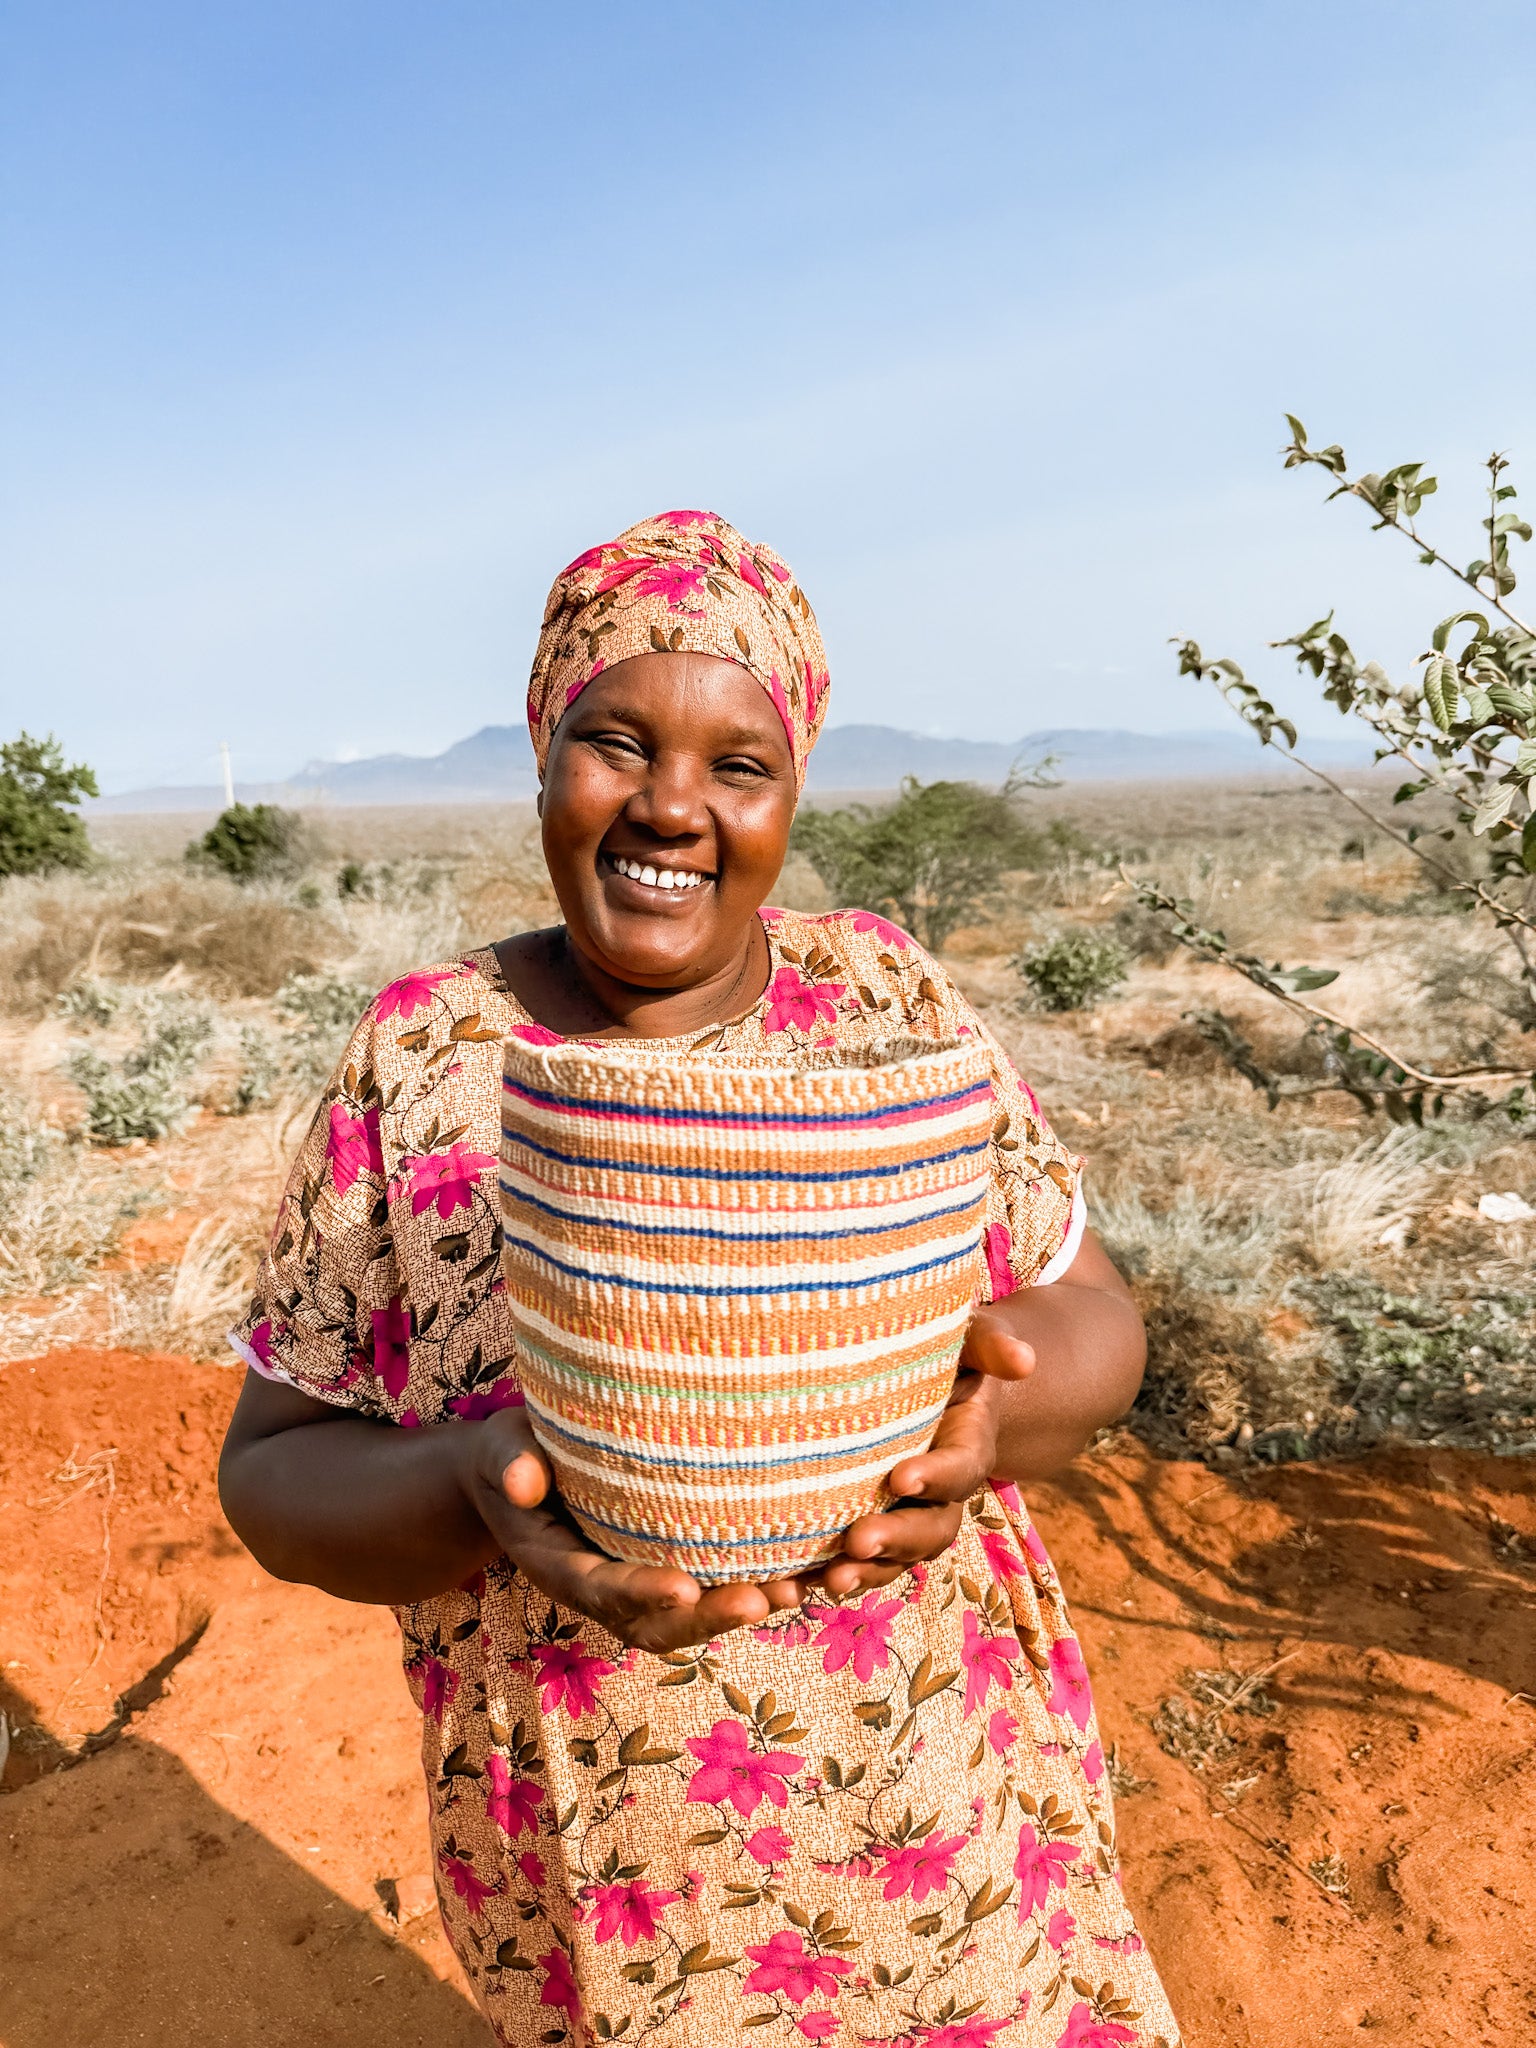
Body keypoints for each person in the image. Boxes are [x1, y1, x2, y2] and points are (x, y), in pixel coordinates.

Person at [219, 512, 1180, 2047]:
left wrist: (987, 1417)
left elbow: (1095, 1320)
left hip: (943, 1809)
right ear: (544, 756)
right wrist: (474, 1485)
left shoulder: (879, 994)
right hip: (611, 1871)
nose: (672, 808)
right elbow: (272, 1478)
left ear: (789, 794)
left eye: (738, 765)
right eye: (617, 742)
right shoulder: (423, 1058)